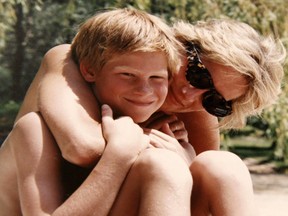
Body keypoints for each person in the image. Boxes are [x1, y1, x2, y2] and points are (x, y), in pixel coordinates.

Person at [1, 8, 285, 215]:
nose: (190, 95)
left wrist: (185, 158)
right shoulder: (70, 60)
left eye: (216, 101)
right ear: (183, 46)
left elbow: (195, 186)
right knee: (163, 164)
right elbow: (82, 148)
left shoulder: (197, 108)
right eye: (198, 74)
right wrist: (143, 139)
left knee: (224, 166)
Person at [0, 8, 193, 216]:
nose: (144, 90)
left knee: (218, 166)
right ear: (89, 71)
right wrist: (119, 154)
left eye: (156, 78)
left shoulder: (153, 130)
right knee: (164, 166)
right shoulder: (35, 129)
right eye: (127, 74)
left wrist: (186, 157)